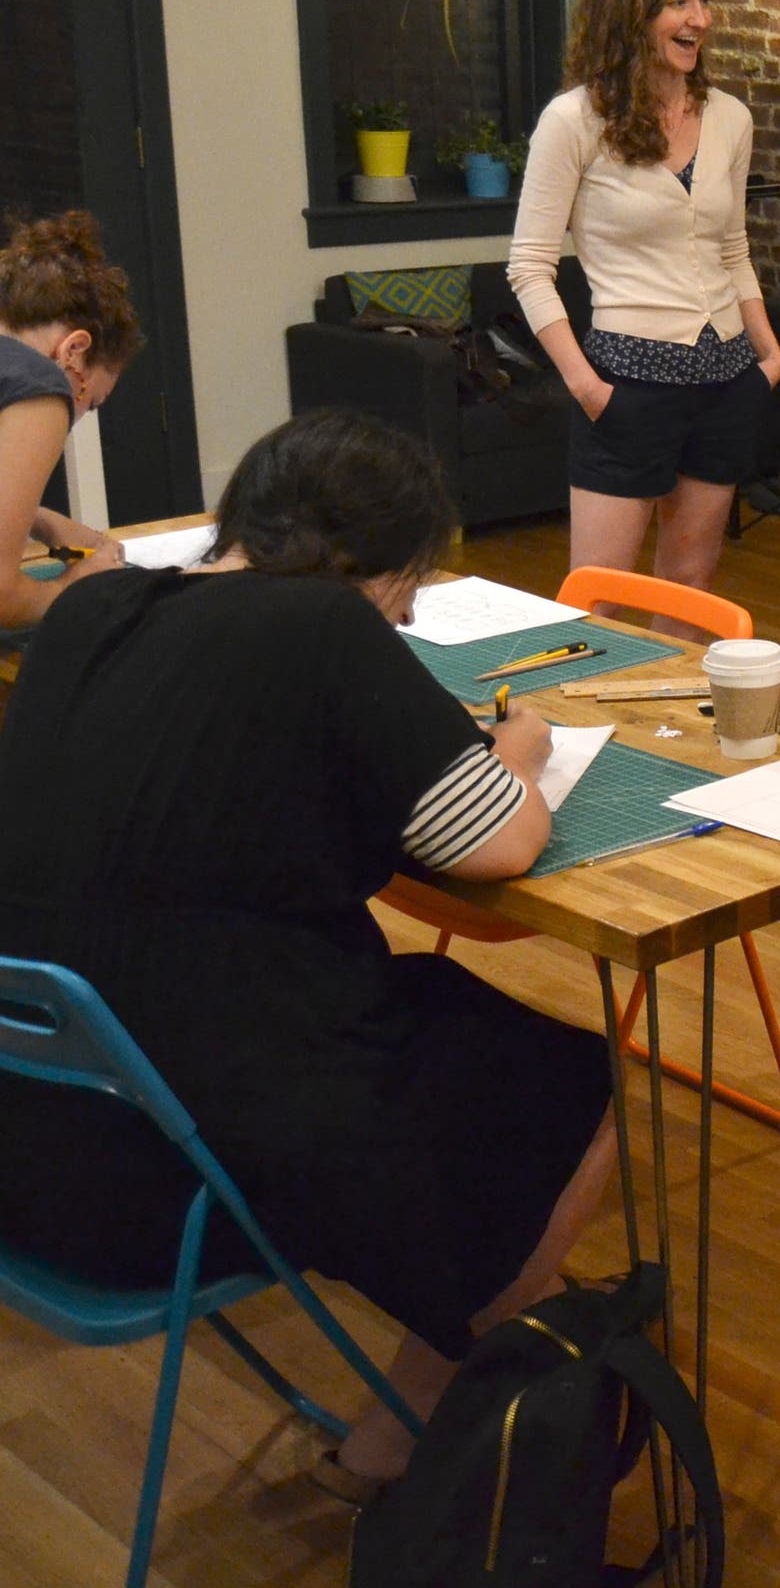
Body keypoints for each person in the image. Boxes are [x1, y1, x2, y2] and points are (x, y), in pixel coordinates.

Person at [0, 409, 617, 1495]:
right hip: (173, 1175)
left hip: (36, 1132)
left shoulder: (92, 606)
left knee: (431, 1002)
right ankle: (410, 1435)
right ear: (364, 558)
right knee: (579, 1080)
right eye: (409, 581)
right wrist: (515, 750)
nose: (409, 611)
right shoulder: (320, 627)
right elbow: (499, 839)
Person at [508, 0, 780, 604]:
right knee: (596, 600)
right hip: (627, 386)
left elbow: (732, 248)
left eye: (705, 1)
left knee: (690, 586)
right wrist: (588, 388)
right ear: (631, 10)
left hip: (727, 380)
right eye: (678, 3)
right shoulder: (574, 121)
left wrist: (769, 357)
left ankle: (676, 690)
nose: (700, 20)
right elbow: (530, 267)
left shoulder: (730, 118)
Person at [0, 211, 142, 630]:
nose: (74, 415)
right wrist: (78, 584)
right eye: (89, 402)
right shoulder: (37, 382)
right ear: (74, 351)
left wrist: (41, 519)